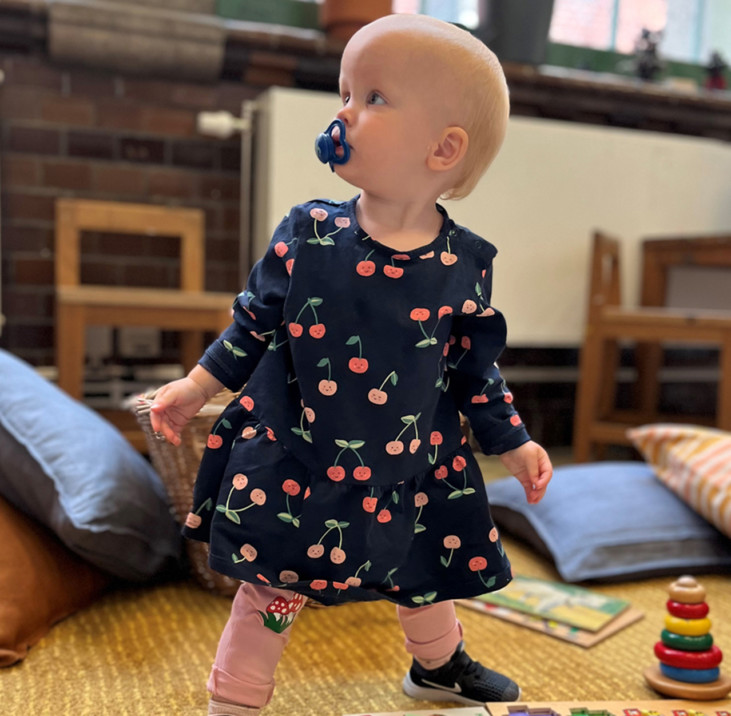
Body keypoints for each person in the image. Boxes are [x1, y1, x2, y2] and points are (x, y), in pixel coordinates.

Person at [150, 13, 552, 716]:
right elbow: (253, 324)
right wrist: (195, 384)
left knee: (423, 571)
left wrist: (511, 441)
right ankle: (235, 702)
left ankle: (436, 667)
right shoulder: (309, 234)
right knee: (271, 588)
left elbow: (471, 370)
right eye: (344, 93)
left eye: (373, 98)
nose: (343, 113)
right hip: (299, 456)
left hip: (410, 461)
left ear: (442, 149)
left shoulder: (464, 264)